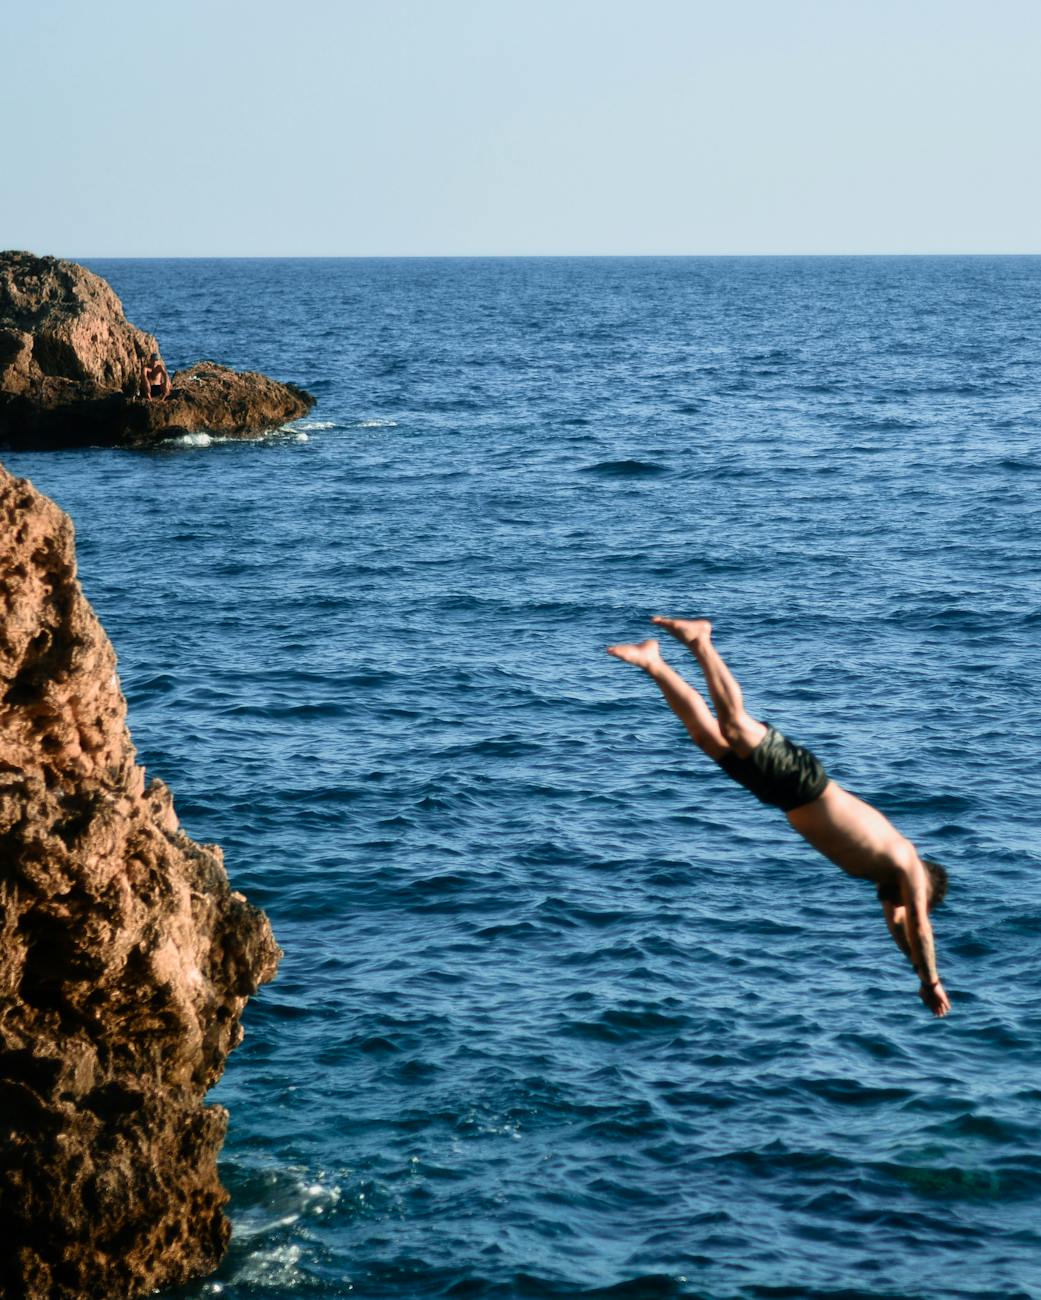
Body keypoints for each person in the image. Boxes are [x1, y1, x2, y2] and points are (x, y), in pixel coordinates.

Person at [607, 617, 951, 1017]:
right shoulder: (906, 860)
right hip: (805, 783)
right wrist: (930, 981)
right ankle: (701, 641)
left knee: (706, 737)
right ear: (924, 889)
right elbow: (919, 928)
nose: (905, 912)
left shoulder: (884, 878)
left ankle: (655, 663)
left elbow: (902, 926)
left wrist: (914, 969)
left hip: (781, 797)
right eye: (916, 905)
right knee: (735, 725)